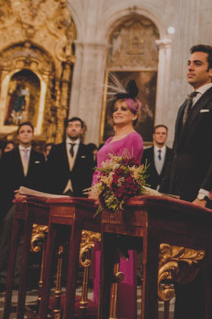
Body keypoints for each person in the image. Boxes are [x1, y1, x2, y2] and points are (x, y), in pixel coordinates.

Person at [161, 44, 212, 206]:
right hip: (176, 192)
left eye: (197, 64)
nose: (190, 68)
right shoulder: (185, 104)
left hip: (199, 194)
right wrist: (163, 192)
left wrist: (204, 194)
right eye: (188, 63)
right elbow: (176, 152)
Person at [90, 87, 144, 317]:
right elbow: (99, 170)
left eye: (125, 109)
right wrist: (93, 191)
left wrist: (102, 191)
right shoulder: (111, 139)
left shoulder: (134, 138)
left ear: (135, 115)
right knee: (101, 260)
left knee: (119, 260)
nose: (118, 112)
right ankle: (103, 309)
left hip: (117, 206)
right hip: (99, 204)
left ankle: (120, 312)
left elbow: (126, 173)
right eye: (116, 109)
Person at [0, 122, 47, 292]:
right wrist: (13, 195)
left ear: (33, 134)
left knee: (24, 242)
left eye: (29, 131)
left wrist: (29, 194)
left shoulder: (39, 156)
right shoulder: (8, 156)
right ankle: (2, 279)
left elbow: (43, 182)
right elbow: (1, 180)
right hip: (13, 202)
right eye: (22, 132)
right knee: (7, 240)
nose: (25, 134)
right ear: (18, 136)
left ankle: (18, 278)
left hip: (31, 202)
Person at [46, 117, 95, 196]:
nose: (73, 128)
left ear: (82, 130)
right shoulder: (56, 149)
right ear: (66, 129)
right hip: (56, 191)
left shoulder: (87, 150)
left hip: (80, 193)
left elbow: (90, 173)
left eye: (77, 126)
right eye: (70, 126)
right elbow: (49, 172)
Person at [140, 124, 172, 190]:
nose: (161, 135)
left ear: (167, 136)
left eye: (163, 133)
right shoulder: (145, 153)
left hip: (168, 192)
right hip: (148, 191)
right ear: (154, 136)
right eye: (158, 133)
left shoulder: (173, 154)